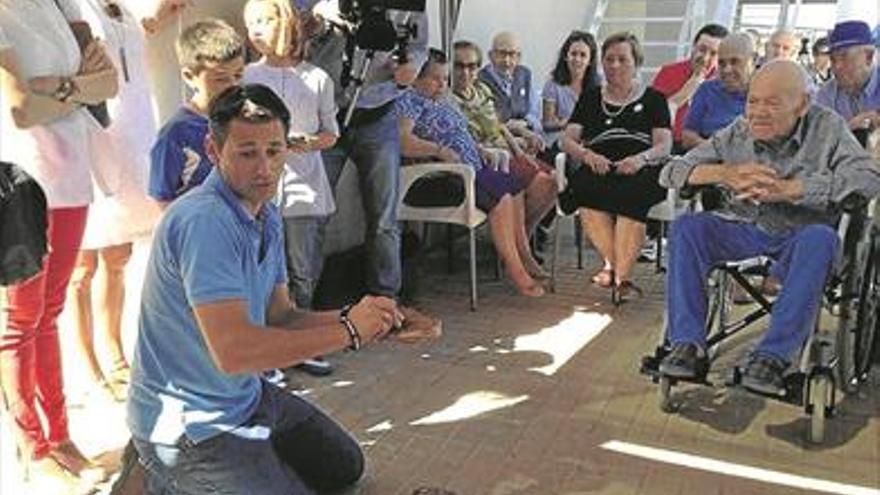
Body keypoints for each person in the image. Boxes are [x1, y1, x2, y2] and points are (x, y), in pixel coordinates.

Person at [127, 84, 401, 494]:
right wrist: (350, 332)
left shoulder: (265, 213)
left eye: (274, 151)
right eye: (247, 153)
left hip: (245, 398)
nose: (264, 169)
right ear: (213, 151)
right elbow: (235, 352)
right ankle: (159, 473)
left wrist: (359, 316)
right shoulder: (205, 221)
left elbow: (282, 317)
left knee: (345, 466)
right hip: (190, 427)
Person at [657, 60, 880, 395]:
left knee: (822, 239)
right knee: (688, 227)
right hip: (745, 226)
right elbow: (671, 171)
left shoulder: (828, 129)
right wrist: (724, 173)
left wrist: (797, 188)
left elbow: (867, 178)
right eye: (753, 101)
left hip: (802, 234)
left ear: (803, 104)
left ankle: (771, 357)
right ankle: (687, 344)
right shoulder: (738, 130)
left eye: (772, 103)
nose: (758, 112)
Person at [0, 0, 117, 489]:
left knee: (48, 313)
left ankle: (61, 436)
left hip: (70, 179)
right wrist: (78, 89)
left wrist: (59, 90)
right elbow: (21, 109)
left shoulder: (63, 2)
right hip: (23, 181)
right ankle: (33, 446)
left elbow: (108, 85)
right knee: (20, 321)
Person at [299, 1, 441, 335]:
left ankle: (385, 306)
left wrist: (410, 68)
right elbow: (287, 21)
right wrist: (322, 14)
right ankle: (300, 312)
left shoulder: (408, 6)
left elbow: (419, 47)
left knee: (383, 219)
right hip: (323, 111)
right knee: (311, 215)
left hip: (378, 112)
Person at [65, 0, 167, 405]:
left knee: (118, 257)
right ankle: (88, 366)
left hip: (132, 137)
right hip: (91, 137)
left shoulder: (122, 7)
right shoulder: (71, 9)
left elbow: (152, 21)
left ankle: (116, 355)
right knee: (82, 266)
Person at [397, 50, 547, 297]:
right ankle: (517, 271)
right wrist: (439, 150)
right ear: (416, 78)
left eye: (445, 79)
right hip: (442, 177)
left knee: (515, 187)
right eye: (435, 79)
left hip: (470, 168)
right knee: (503, 196)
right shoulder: (410, 101)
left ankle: (524, 255)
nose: (442, 84)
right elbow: (403, 140)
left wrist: (479, 149)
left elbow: (459, 133)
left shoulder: (441, 101)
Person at [243, 0, 339, 377]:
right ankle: (264, 351)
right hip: (258, 190)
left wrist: (307, 142)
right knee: (259, 268)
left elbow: (332, 134)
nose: (256, 30)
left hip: (303, 186)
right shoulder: (247, 76)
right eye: (250, 23)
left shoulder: (317, 78)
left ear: (286, 23)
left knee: (301, 270)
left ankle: (301, 345)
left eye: (264, 21)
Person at [557, 32, 672, 299]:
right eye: (609, 59)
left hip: (639, 166)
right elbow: (567, 139)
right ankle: (622, 277)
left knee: (633, 194)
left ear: (636, 63)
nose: (615, 65)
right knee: (585, 191)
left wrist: (640, 159)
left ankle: (616, 275)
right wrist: (586, 156)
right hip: (599, 164)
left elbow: (664, 144)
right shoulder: (591, 97)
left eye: (622, 59)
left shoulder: (655, 99)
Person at [451, 40, 557, 244]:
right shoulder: (449, 100)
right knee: (544, 183)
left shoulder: (481, 89)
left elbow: (499, 125)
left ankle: (522, 237)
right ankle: (516, 243)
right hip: (491, 160)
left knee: (553, 180)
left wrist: (519, 151)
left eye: (471, 66)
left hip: (507, 150)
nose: (465, 72)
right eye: (459, 66)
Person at [148, 18, 245, 207]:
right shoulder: (176, 133)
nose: (233, 85)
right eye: (221, 78)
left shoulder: (245, 120)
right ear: (189, 77)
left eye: (238, 75)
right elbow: (162, 198)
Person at [652, 23, 728, 151]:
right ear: (693, 46)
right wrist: (687, 90)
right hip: (671, 144)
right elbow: (653, 117)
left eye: (713, 54)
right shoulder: (668, 72)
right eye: (702, 49)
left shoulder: (724, 82)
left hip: (707, 146)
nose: (705, 58)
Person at [681, 33, 755, 150]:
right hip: (707, 158)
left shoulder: (764, 94)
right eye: (722, 63)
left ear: (753, 60)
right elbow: (688, 136)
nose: (727, 70)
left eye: (734, 62)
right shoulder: (707, 90)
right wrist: (718, 151)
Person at [814, 20, 879, 142]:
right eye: (833, 60)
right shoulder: (826, 93)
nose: (836, 67)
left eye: (844, 57)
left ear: (868, 57)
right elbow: (816, 140)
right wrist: (849, 128)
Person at [478, 31, 546, 146]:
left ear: (519, 57)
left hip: (527, 139)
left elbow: (536, 113)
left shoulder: (525, 75)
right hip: (498, 143)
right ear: (490, 55)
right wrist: (511, 129)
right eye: (502, 54)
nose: (507, 60)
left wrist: (525, 123)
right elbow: (486, 123)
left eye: (512, 54)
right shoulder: (480, 79)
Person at [541, 30, 601, 151]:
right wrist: (566, 123)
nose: (577, 59)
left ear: (590, 60)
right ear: (566, 56)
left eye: (583, 55)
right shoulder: (553, 84)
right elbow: (547, 124)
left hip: (589, 140)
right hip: (559, 140)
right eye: (573, 54)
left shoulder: (600, 84)